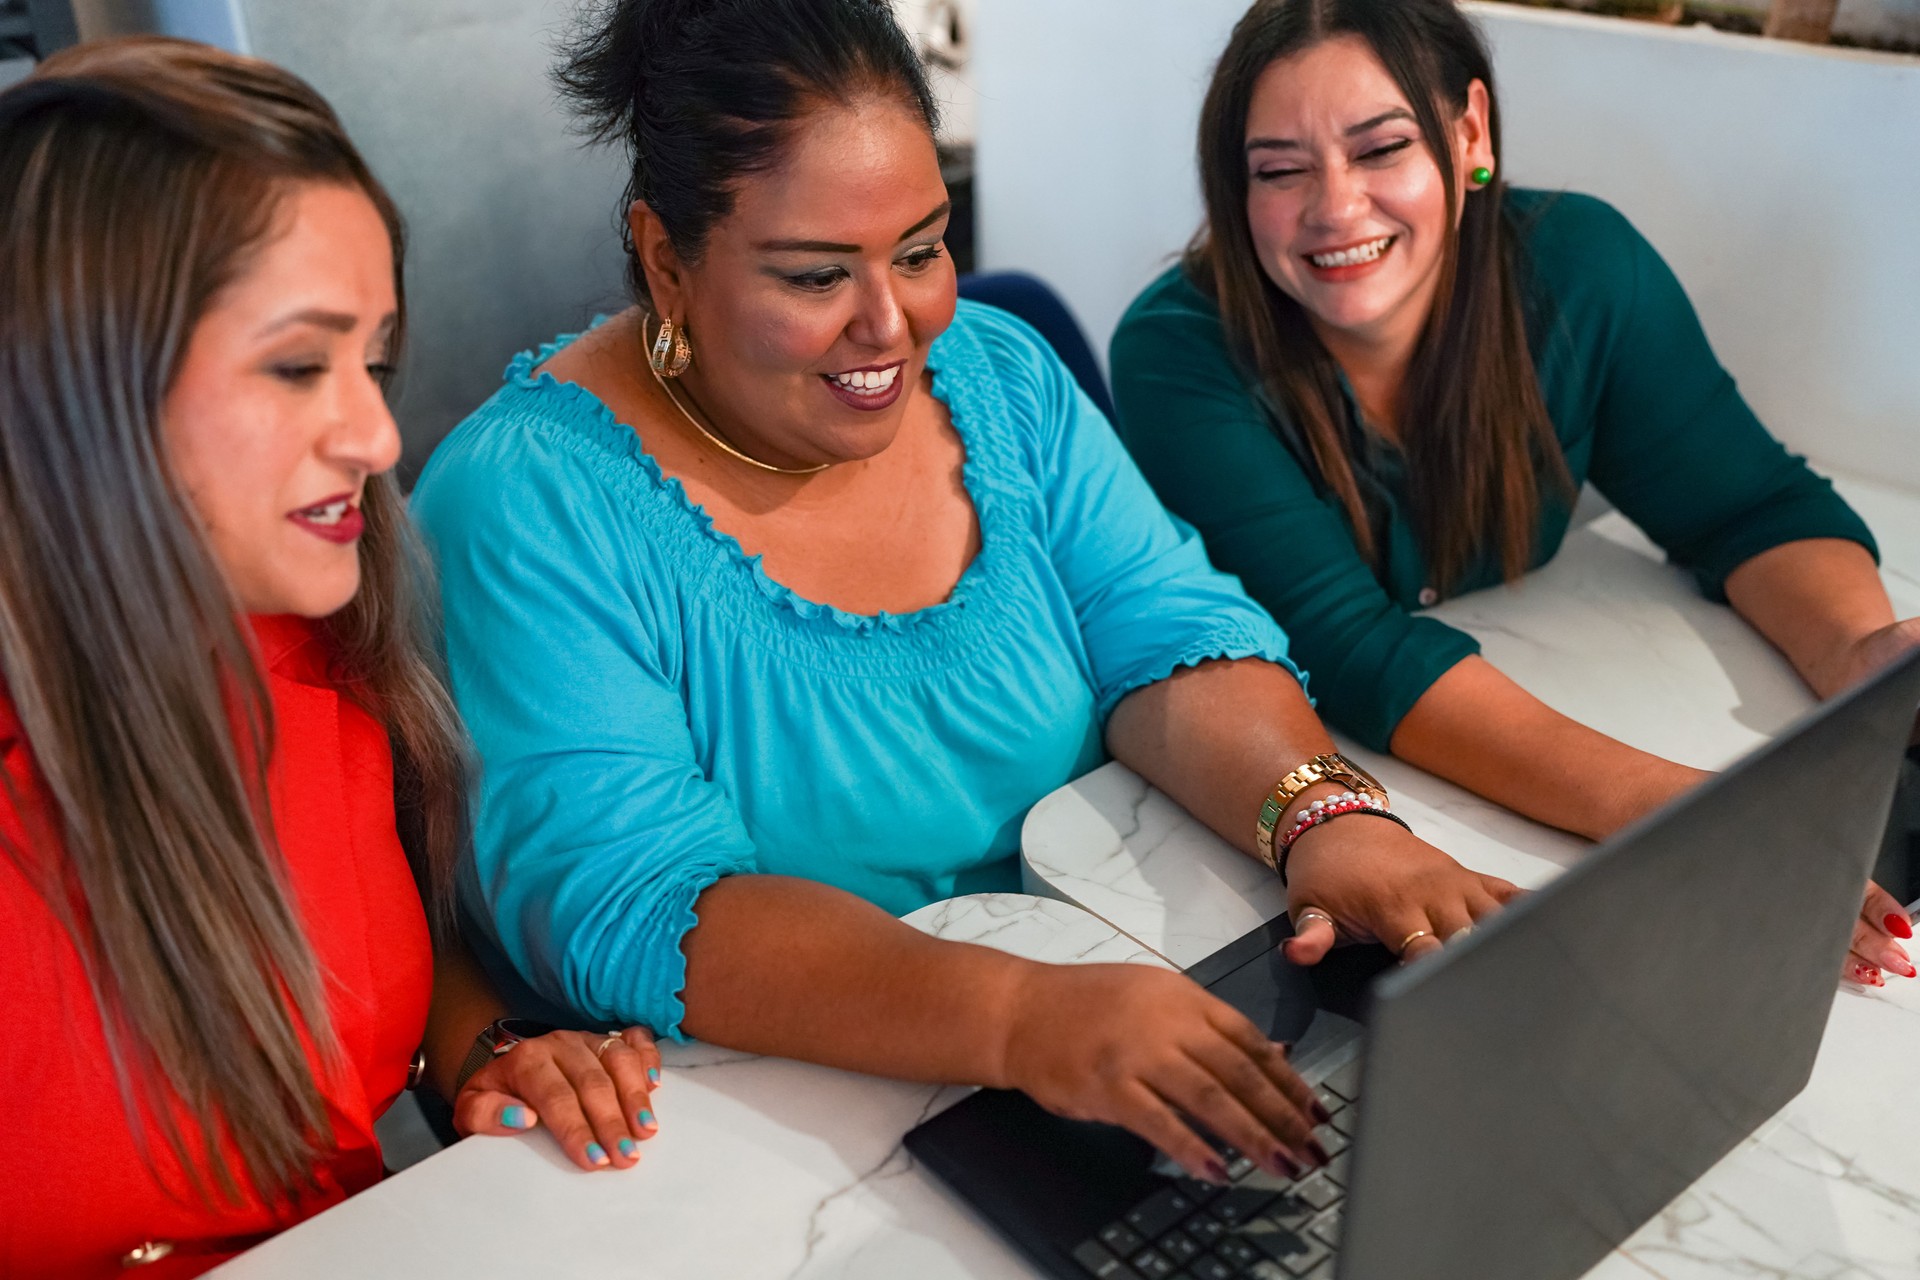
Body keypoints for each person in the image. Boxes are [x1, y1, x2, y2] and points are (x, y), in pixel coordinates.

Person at [412, 0, 1513, 1186]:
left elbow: (1164, 628)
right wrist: (1020, 1016)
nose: (893, 325)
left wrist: (1322, 816)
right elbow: (637, 899)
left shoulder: (998, 370)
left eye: (922, 250)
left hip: (1096, 1031)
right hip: (760, 1146)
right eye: (817, 275)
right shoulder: (526, 499)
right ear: (664, 258)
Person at [0, 40, 659, 1278]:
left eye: (375, 363)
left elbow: (353, 964)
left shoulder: (313, 648)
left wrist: (488, 1048)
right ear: (71, 384)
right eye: (301, 364)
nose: (376, 433)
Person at [1107, 0, 1919, 987]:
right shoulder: (1176, 353)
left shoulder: (1583, 268)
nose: (1336, 207)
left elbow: (1749, 507)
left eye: (1381, 149)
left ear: (1470, 137)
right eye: (1280, 170)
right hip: (1260, 810)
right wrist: (1676, 808)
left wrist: (1864, 656)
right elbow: (1352, 647)